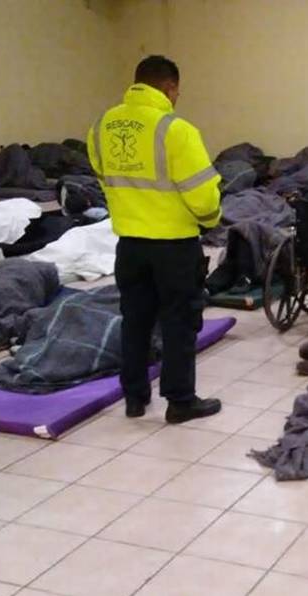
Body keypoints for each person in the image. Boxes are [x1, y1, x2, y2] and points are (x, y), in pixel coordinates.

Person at [87, 56, 222, 423]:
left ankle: (134, 397)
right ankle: (180, 401)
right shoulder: (176, 130)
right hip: (174, 245)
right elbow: (203, 197)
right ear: (169, 87)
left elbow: (104, 178)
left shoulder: (101, 125)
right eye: (177, 91)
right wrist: (210, 220)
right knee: (179, 321)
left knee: (135, 319)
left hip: (129, 243)